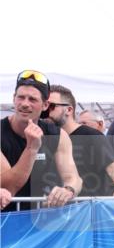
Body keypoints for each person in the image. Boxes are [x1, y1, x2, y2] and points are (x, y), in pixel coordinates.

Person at [1, 70, 82, 210]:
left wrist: (68, 190)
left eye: (32, 99)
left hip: (43, 218)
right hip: (7, 219)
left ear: (45, 105)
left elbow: (74, 178)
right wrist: (31, 149)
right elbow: (8, 187)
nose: (25, 104)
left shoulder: (58, 135)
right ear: (14, 98)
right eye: (21, 97)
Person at [47, 84, 114, 199]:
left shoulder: (90, 135)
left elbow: (113, 165)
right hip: (55, 207)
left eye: (51, 106)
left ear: (69, 110)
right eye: (44, 105)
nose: (45, 111)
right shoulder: (44, 137)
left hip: (88, 207)